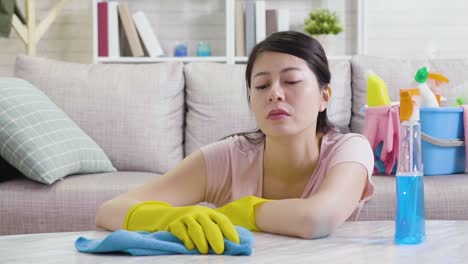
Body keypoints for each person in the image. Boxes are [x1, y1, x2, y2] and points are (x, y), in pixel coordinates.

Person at [95, 31, 374, 254]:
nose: (275, 94)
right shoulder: (228, 157)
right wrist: (173, 218)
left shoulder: (349, 149)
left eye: (291, 81)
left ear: (325, 96)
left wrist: (237, 212)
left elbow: (317, 218)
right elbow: (110, 211)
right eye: (262, 86)